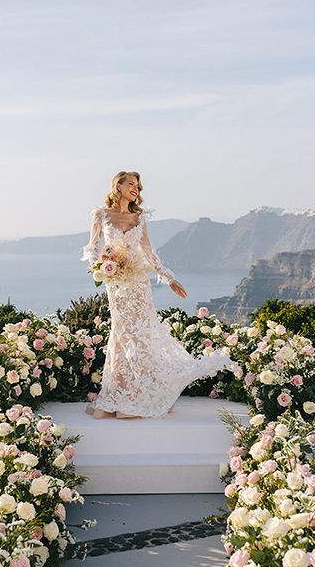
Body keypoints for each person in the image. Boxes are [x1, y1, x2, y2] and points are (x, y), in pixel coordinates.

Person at [82, 171, 237, 419]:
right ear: (118, 186)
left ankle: (141, 395)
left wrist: (169, 278)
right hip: (116, 285)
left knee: (141, 335)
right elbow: (92, 248)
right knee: (122, 334)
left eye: (138, 185)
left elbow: (149, 254)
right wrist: (100, 269)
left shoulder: (139, 218)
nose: (136, 188)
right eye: (130, 183)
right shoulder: (101, 214)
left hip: (139, 283)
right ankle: (120, 393)